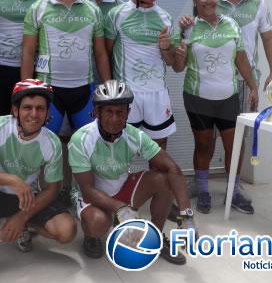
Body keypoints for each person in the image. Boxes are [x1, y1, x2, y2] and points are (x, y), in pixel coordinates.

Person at [68, 80, 195, 263]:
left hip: (122, 188)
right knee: (98, 223)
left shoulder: (134, 135)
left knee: (165, 180)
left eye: (120, 112)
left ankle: (156, 239)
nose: (114, 119)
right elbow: (87, 191)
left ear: (128, 113)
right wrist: (120, 209)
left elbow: (173, 169)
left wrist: (186, 215)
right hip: (93, 196)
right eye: (109, 112)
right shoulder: (81, 139)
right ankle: (91, 236)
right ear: (97, 112)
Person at [21, 0, 112, 202]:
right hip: (48, 92)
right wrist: (24, 91)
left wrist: (108, 90)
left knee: (86, 150)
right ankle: (43, 203)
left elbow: (101, 54)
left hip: (84, 91)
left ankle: (82, 199)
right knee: (41, 150)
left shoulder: (93, 10)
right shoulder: (38, 8)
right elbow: (27, 52)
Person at [0, 79, 77, 280]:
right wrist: (12, 179)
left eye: (40, 108)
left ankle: (25, 226)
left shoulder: (52, 142)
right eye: (27, 108)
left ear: (48, 113)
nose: (34, 114)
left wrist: (21, 218)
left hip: (28, 199)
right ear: (15, 110)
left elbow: (52, 189)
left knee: (67, 231)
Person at [174, 0, 259, 215]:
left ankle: (234, 190)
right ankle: (202, 188)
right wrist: (179, 44)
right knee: (204, 145)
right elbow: (178, 67)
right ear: (195, 1)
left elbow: (241, 58)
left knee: (234, 145)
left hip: (228, 97)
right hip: (197, 98)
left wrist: (253, 86)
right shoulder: (188, 27)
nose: (209, 1)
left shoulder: (231, 24)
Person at [180, 0, 272, 110]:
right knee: (218, 133)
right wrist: (184, 23)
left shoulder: (259, 3)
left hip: (247, 79)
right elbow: (194, 27)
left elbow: (269, 39)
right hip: (215, 81)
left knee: (244, 131)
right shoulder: (210, 2)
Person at [105, 0, 179, 151]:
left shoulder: (166, 17)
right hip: (127, 94)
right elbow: (105, 54)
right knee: (122, 148)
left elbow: (171, 62)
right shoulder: (117, 14)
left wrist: (166, 47)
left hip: (157, 93)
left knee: (159, 148)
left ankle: (156, 183)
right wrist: (109, 89)